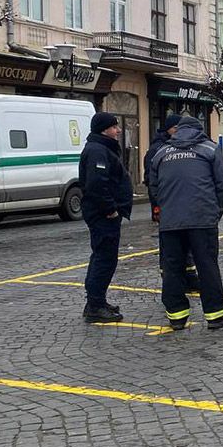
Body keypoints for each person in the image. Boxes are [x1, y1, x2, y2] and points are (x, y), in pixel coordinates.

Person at [151, 116, 223, 330]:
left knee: (172, 268)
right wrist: (217, 211)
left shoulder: (161, 153)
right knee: (207, 266)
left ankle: (176, 317)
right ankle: (216, 317)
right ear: (200, 130)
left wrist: (165, 208)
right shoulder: (209, 149)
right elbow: (222, 185)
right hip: (202, 219)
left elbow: (153, 186)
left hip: (170, 222)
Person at [78, 112, 133, 323]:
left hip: (104, 214)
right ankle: (95, 305)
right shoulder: (98, 151)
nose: (118, 130)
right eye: (114, 127)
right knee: (104, 258)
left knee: (103, 256)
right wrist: (110, 209)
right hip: (103, 215)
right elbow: (96, 184)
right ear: (103, 129)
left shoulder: (101, 148)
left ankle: (96, 300)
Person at [143, 114, 198, 292]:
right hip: (166, 206)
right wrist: (157, 206)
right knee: (169, 246)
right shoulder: (159, 149)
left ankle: (189, 278)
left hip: (180, 204)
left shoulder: (173, 145)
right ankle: (171, 280)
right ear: (171, 129)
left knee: (185, 243)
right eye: (178, 128)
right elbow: (152, 180)